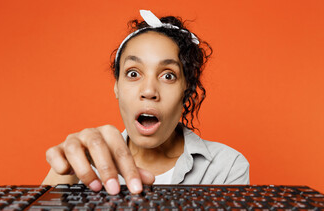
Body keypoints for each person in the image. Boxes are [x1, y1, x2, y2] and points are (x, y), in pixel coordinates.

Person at [42, 10, 249, 195]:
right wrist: (65, 173)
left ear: (187, 93)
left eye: (168, 76)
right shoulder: (87, 163)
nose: (149, 91)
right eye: (133, 73)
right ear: (116, 87)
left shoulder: (226, 167)